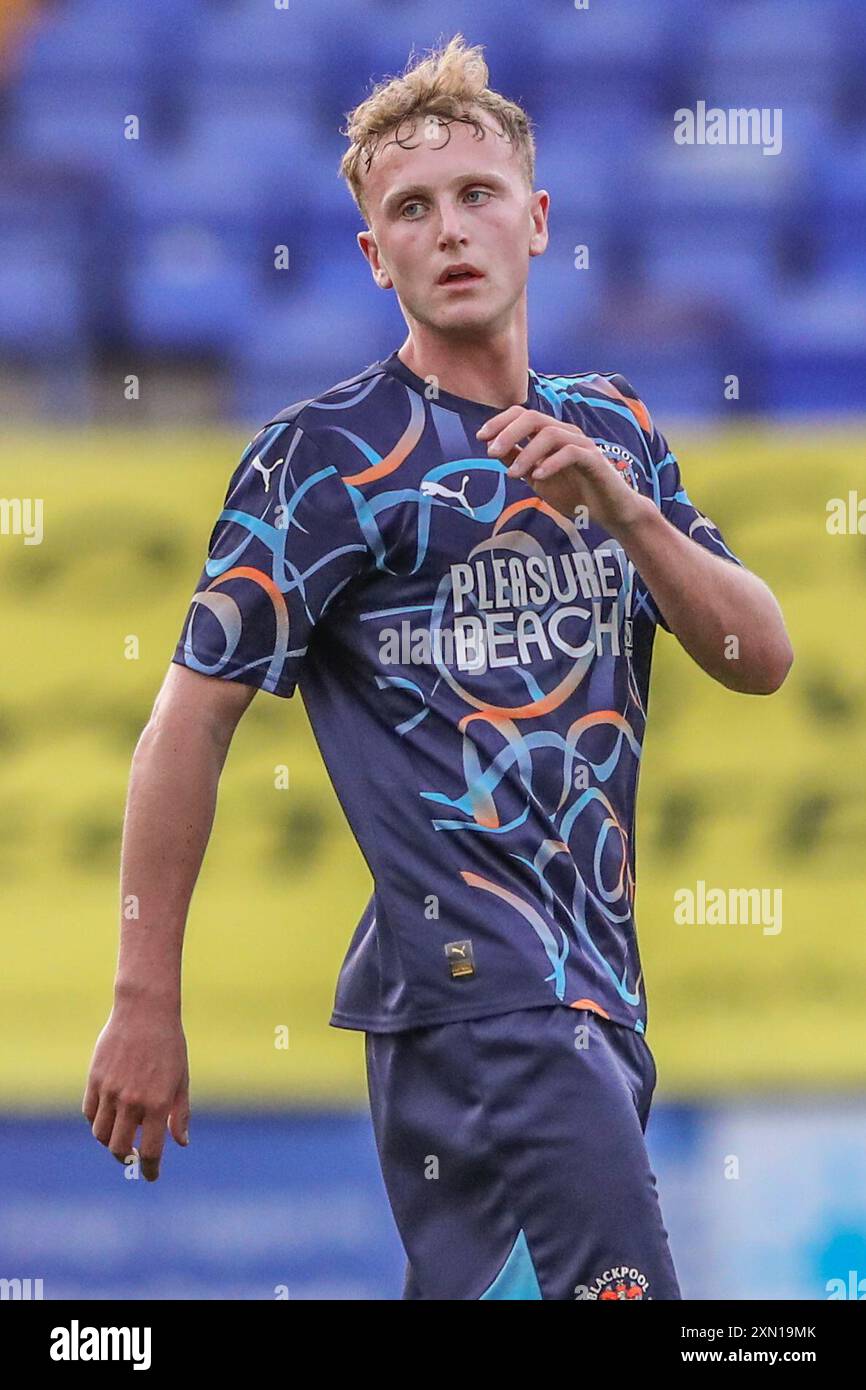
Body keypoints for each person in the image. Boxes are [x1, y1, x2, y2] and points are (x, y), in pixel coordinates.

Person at [83, 34, 793, 1300]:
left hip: (596, 1000)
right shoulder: (321, 458)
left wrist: (624, 512)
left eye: (476, 196)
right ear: (373, 253)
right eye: (410, 208)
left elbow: (758, 656)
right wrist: (145, 995)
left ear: (537, 219)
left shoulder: (613, 426)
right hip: (482, 999)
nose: (449, 228)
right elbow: (186, 723)